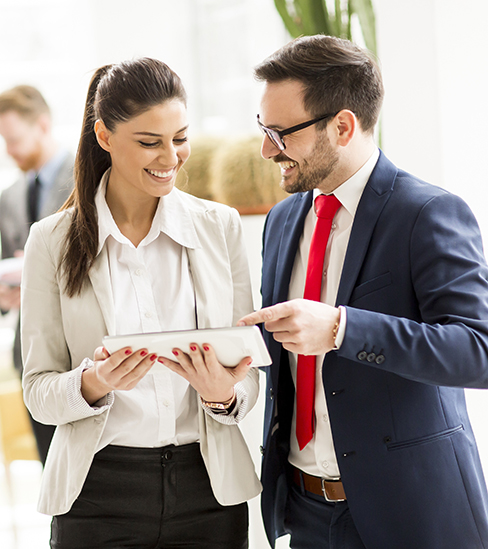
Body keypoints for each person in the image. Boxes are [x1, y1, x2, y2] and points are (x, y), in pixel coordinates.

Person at [238, 35, 488, 549]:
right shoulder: (282, 220)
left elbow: (477, 349)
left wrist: (340, 328)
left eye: (281, 132)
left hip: (411, 512)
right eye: (263, 129)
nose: (266, 149)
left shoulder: (427, 213)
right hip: (305, 512)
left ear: (343, 125)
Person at [21, 58, 261, 548]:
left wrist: (223, 396)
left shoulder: (220, 228)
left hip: (208, 490)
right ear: (104, 136)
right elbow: (38, 390)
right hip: (97, 492)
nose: (170, 157)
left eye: (180, 137)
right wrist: (91, 384)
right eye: (149, 142)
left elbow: (247, 371)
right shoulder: (51, 241)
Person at [0, 85, 74, 464]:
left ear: (42, 125)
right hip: (29, 356)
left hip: (78, 353)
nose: (9, 151)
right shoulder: (9, 196)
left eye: (14, 139)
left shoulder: (86, 178)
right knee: (53, 474)